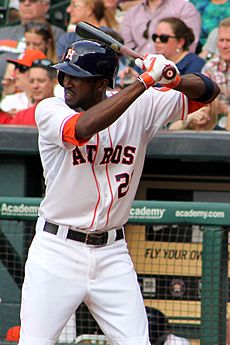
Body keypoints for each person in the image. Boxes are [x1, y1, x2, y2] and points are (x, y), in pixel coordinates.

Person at [17, 39, 219, 345]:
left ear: (101, 83)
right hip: (56, 249)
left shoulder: (142, 105)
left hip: (112, 252)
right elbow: (81, 129)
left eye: (76, 76)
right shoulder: (50, 108)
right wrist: (144, 81)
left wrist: (172, 78)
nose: (66, 82)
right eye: (64, 74)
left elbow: (207, 92)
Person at [0, 0, 64, 85]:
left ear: (46, 5)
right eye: (22, 0)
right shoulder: (3, 32)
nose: (26, 3)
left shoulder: (58, 34)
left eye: (33, 0)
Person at [120, 0, 201, 56]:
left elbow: (189, 46)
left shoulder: (185, 8)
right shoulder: (131, 13)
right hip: (138, 68)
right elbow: (127, 47)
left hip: (173, 71)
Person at [7, 58, 57, 126]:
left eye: (41, 81)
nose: (35, 86)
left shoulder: (64, 112)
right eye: (31, 81)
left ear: (54, 82)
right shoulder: (21, 117)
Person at [201, 17, 230, 130]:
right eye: (221, 40)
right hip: (214, 126)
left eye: (229, 41)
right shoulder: (210, 68)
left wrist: (226, 110)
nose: (223, 46)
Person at [0, 49, 47, 114]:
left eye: (22, 68)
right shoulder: (10, 100)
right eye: (16, 66)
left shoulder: (56, 98)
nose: (16, 71)